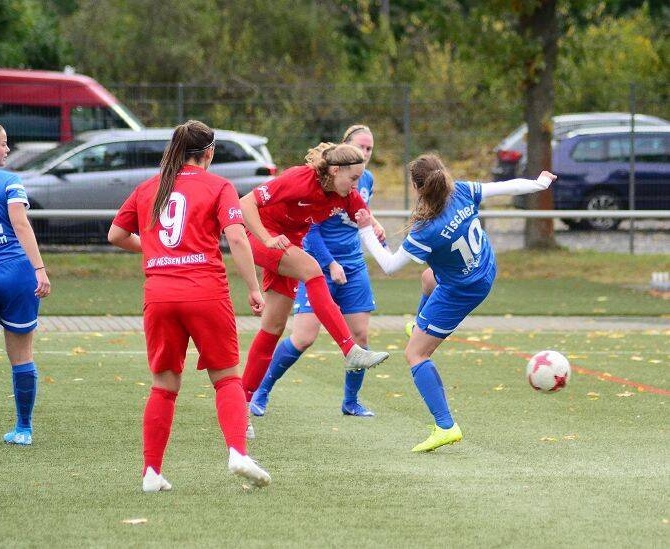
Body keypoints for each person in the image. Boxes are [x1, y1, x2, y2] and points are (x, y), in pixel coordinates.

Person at [108, 120, 271, 492]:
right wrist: (254, 287)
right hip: (205, 292)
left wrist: (153, 249)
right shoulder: (219, 186)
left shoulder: (149, 187)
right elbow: (237, 238)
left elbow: (116, 234)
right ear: (209, 152)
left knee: (164, 385)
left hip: (159, 295)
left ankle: (151, 473)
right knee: (226, 378)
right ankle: (237, 452)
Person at [355, 153, 556, 452]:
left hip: (463, 289)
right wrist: (539, 184)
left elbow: (390, 266)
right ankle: (419, 327)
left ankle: (445, 426)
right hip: (485, 266)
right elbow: (506, 187)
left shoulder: (427, 230)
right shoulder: (461, 190)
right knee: (428, 278)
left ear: (417, 187)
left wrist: (364, 230)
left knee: (415, 354)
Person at [239, 142, 390, 421]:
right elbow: (245, 203)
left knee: (273, 328)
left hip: (289, 244)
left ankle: (241, 404)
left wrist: (376, 232)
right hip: (263, 235)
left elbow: (365, 221)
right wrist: (266, 238)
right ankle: (350, 349)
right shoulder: (300, 179)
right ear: (334, 171)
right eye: (353, 178)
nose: (356, 185)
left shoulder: (346, 194)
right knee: (312, 270)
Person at [0, 119, 51, 444]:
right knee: (22, 355)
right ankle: (23, 429)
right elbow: (20, 224)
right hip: (17, 275)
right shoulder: (9, 181)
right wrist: (39, 268)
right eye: (3, 143)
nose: (7, 149)